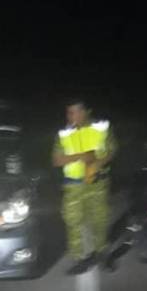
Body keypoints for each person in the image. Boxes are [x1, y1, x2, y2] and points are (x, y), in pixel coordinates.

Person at [52, 99, 117, 275]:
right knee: (73, 222)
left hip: (98, 182)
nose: (69, 116)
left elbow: (112, 150)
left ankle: (102, 254)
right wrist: (79, 156)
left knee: (100, 220)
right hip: (74, 185)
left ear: (85, 112)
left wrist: (98, 163)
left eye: (73, 112)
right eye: (68, 113)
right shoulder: (64, 133)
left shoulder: (101, 127)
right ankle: (79, 259)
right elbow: (56, 160)